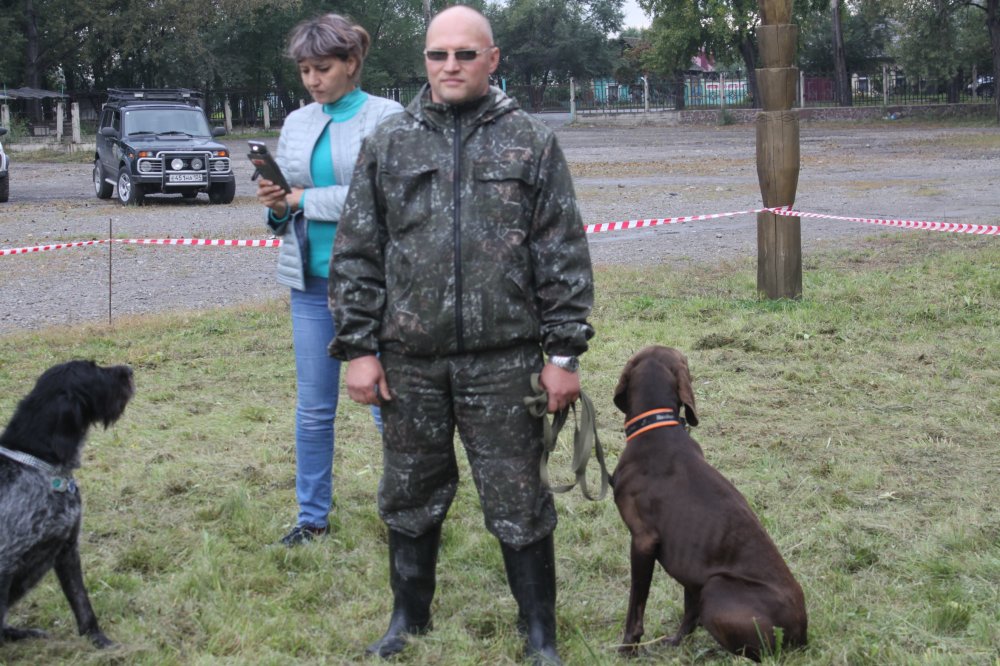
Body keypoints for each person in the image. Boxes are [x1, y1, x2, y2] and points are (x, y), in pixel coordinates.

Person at [328, 6, 593, 664]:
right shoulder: (389, 143)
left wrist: (563, 355)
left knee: (520, 498)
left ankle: (539, 634)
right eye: (437, 54)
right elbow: (357, 253)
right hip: (409, 363)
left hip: (504, 363)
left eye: (465, 54)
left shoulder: (531, 142)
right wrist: (359, 349)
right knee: (409, 494)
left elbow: (561, 253)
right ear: (424, 60)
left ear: (492, 59)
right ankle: (407, 619)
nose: (450, 66)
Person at [256, 13, 402, 547]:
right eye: (304, 71)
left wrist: (302, 199)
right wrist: (277, 205)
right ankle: (311, 518)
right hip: (310, 284)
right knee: (314, 410)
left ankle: (404, 513)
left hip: (375, 286)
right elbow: (285, 207)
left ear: (352, 63)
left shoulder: (388, 117)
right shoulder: (296, 122)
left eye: (322, 69)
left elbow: (381, 197)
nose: (313, 80)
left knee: (386, 402)